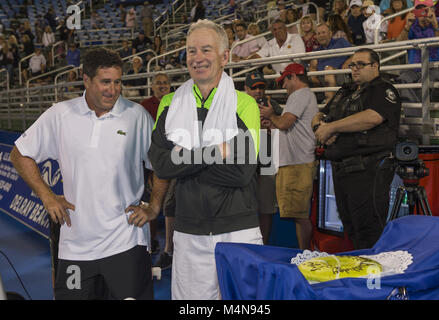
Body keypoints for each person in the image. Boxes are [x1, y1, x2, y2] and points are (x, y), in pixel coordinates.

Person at [10, 47, 159, 300]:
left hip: (126, 243)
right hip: (75, 247)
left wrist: (154, 206)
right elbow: (19, 154)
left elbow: (161, 167)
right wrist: (47, 196)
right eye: (105, 82)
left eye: (117, 82)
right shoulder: (60, 114)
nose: (112, 90)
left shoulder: (137, 116)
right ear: (86, 80)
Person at [149, 19, 262, 300]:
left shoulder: (244, 104)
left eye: (206, 50)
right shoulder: (169, 103)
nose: (197, 58)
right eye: (191, 51)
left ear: (225, 56)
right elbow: (161, 165)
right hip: (189, 231)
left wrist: (183, 162)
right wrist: (217, 151)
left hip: (239, 229)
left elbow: (241, 172)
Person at [312, 48, 401, 250]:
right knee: (350, 227)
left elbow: (373, 117)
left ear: (375, 66)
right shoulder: (346, 91)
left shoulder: (383, 90)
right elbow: (320, 114)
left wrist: (333, 127)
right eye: (352, 64)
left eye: (361, 64)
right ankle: (361, 276)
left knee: (369, 230)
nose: (355, 69)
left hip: (368, 171)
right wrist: (321, 128)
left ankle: (375, 278)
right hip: (341, 169)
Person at [259, 63, 317, 250]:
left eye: (284, 80)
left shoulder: (300, 95)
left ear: (293, 77)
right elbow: (284, 127)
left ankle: (305, 254)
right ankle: (305, 253)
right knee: (296, 214)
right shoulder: (302, 96)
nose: (283, 86)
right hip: (294, 161)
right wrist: (272, 124)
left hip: (297, 162)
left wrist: (271, 115)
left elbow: (284, 123)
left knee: (299, 215)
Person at [140, 72, 175, 270]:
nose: (162, 86)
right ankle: (151, 241)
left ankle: (170, 250)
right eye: (158, 83)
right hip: (149, 162)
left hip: (175, 161)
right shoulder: (144, 106)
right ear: (152, 87)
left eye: (165, 83)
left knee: (170, 206)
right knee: (148, 202)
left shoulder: (177, 102)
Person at [244, 71, 283, 244]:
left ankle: (264, 244)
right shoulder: (239, 105)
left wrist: (272, 122)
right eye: (254, 88)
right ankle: (250, 243)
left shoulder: (272, 104)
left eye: (261, 87)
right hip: (246, 158)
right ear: (246, 89)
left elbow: (284, 127)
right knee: (247, 206)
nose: (258, 91)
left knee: (266, 207)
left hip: (267, 156)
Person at [396, 0, 439, 102]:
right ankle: (414, 115)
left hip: (436, 68)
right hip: (415, 68)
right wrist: (407, 26)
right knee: (403, 78)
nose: (422, 13)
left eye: (424, 9)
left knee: (424, 80)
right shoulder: (412, 25)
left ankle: (419, 114)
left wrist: (435, 24)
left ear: (432, 10)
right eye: (418, 10)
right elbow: (399, 46)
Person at [309, 23, 353, 103]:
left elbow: (355, 55)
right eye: (318, 34)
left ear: (330, 33)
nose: (321, 35)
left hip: (340, 75)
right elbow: (312, 67)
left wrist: (347, 62)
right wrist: (313, 76)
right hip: (322, 79)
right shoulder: (316, 51)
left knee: (328, 69)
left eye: (323, 32)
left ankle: (329, 103)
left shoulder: (341, 42)